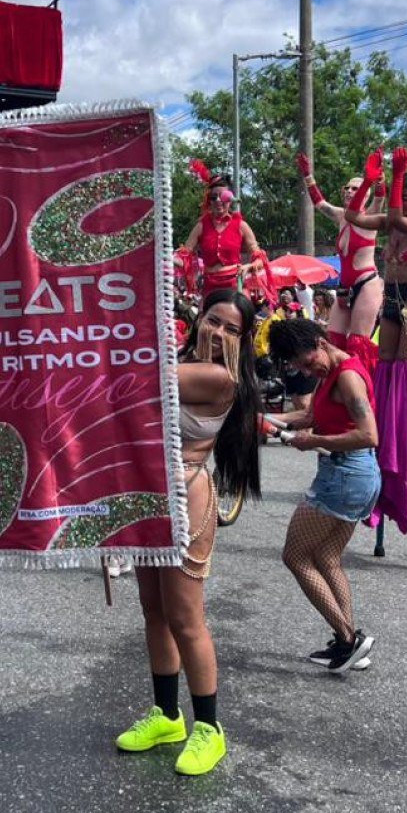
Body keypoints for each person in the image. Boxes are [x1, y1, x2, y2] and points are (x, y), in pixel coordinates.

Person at [116, 289, 260, 776]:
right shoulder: (182, 359)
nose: (217, 333)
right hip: (148, 496)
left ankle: (209, 729)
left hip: (185, 498)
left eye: (231, 329)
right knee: (154, 612)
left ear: (243, 340)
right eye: (212, 320)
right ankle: (166, 715)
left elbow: (139, 379)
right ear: (199, 319)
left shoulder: (219, 378)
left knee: (185, 618)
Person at [344, 148, 407, 550]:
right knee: (384, 364)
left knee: (405, 364)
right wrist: (369, 183)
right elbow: (353, 217)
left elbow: (400, 219)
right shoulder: (390, 221)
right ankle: (384, 428)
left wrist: (397, 175)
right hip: (390, 299)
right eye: (400, 196)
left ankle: (406, 433)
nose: (401, 203)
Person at [268, 319, 380, 673]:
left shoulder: (347, 376)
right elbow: (310, 415)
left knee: (295, 556)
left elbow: (369, 434)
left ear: (320, 342)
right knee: (328, 558)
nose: (306, 371)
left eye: (306, 362)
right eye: (299, 368)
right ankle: (350, 647)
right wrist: (266, 418)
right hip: (353, 474)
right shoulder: (331, 371)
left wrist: (314, 440)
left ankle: (348, 639)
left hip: (346, 474)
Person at [298, 151, 383, 370]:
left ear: (365, 195)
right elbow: (319, 203)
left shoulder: (371, 215)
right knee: (332, 341)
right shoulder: (341, 216)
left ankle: (364, 386)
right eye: (347, 188)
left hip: (366, 284)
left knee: (358, 344)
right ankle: (337, 385)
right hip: (344, 287)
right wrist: (307, 175)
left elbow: (380, 197)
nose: (349, 191)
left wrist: (377, 178)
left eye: (355, 188)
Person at [179, 164, 269, 301]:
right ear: (209, 201)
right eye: (213, 197)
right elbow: (184, 255)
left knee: (241, 312)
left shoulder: (241, 225)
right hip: (210, 287)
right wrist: (164, 257)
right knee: (204, 315)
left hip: (235, 285)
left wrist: (249, 266)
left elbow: (260, 258)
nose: (218, 201)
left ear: (230, 199)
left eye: (223, 196)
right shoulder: (201, 226)